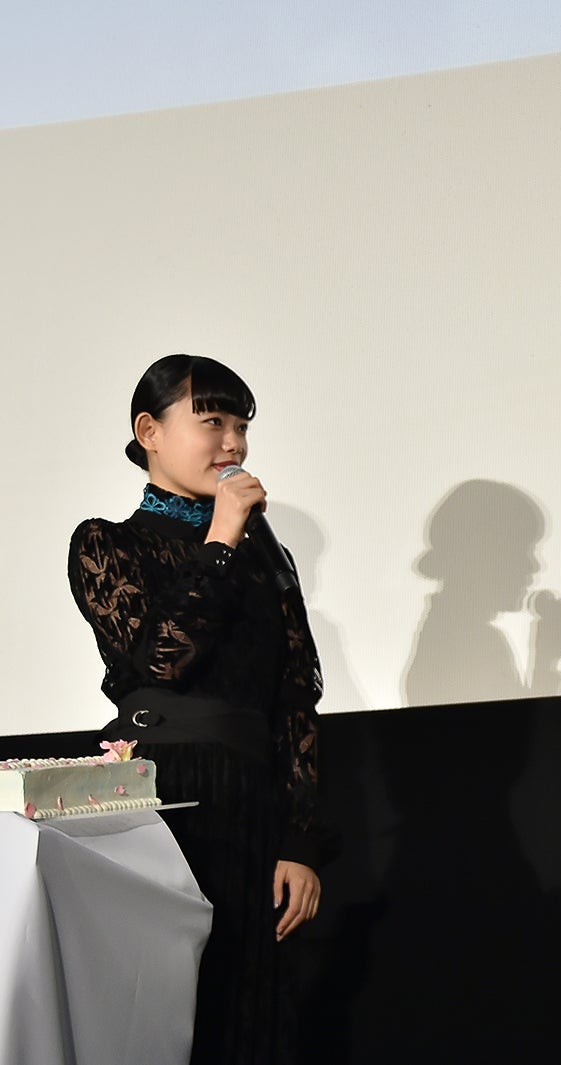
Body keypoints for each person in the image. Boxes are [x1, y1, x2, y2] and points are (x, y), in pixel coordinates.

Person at [67, 353, 337, 1065]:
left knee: (255, 1009)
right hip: (158, 798)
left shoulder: (263, 559)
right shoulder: (106, 542)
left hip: (251, 799)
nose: (233, 443)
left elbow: (295, 700)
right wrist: (220, 538)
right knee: (160, 1009)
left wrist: (300, 841)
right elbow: (162, 659)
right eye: (212, 421)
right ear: (149, 431)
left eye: (241, 425)